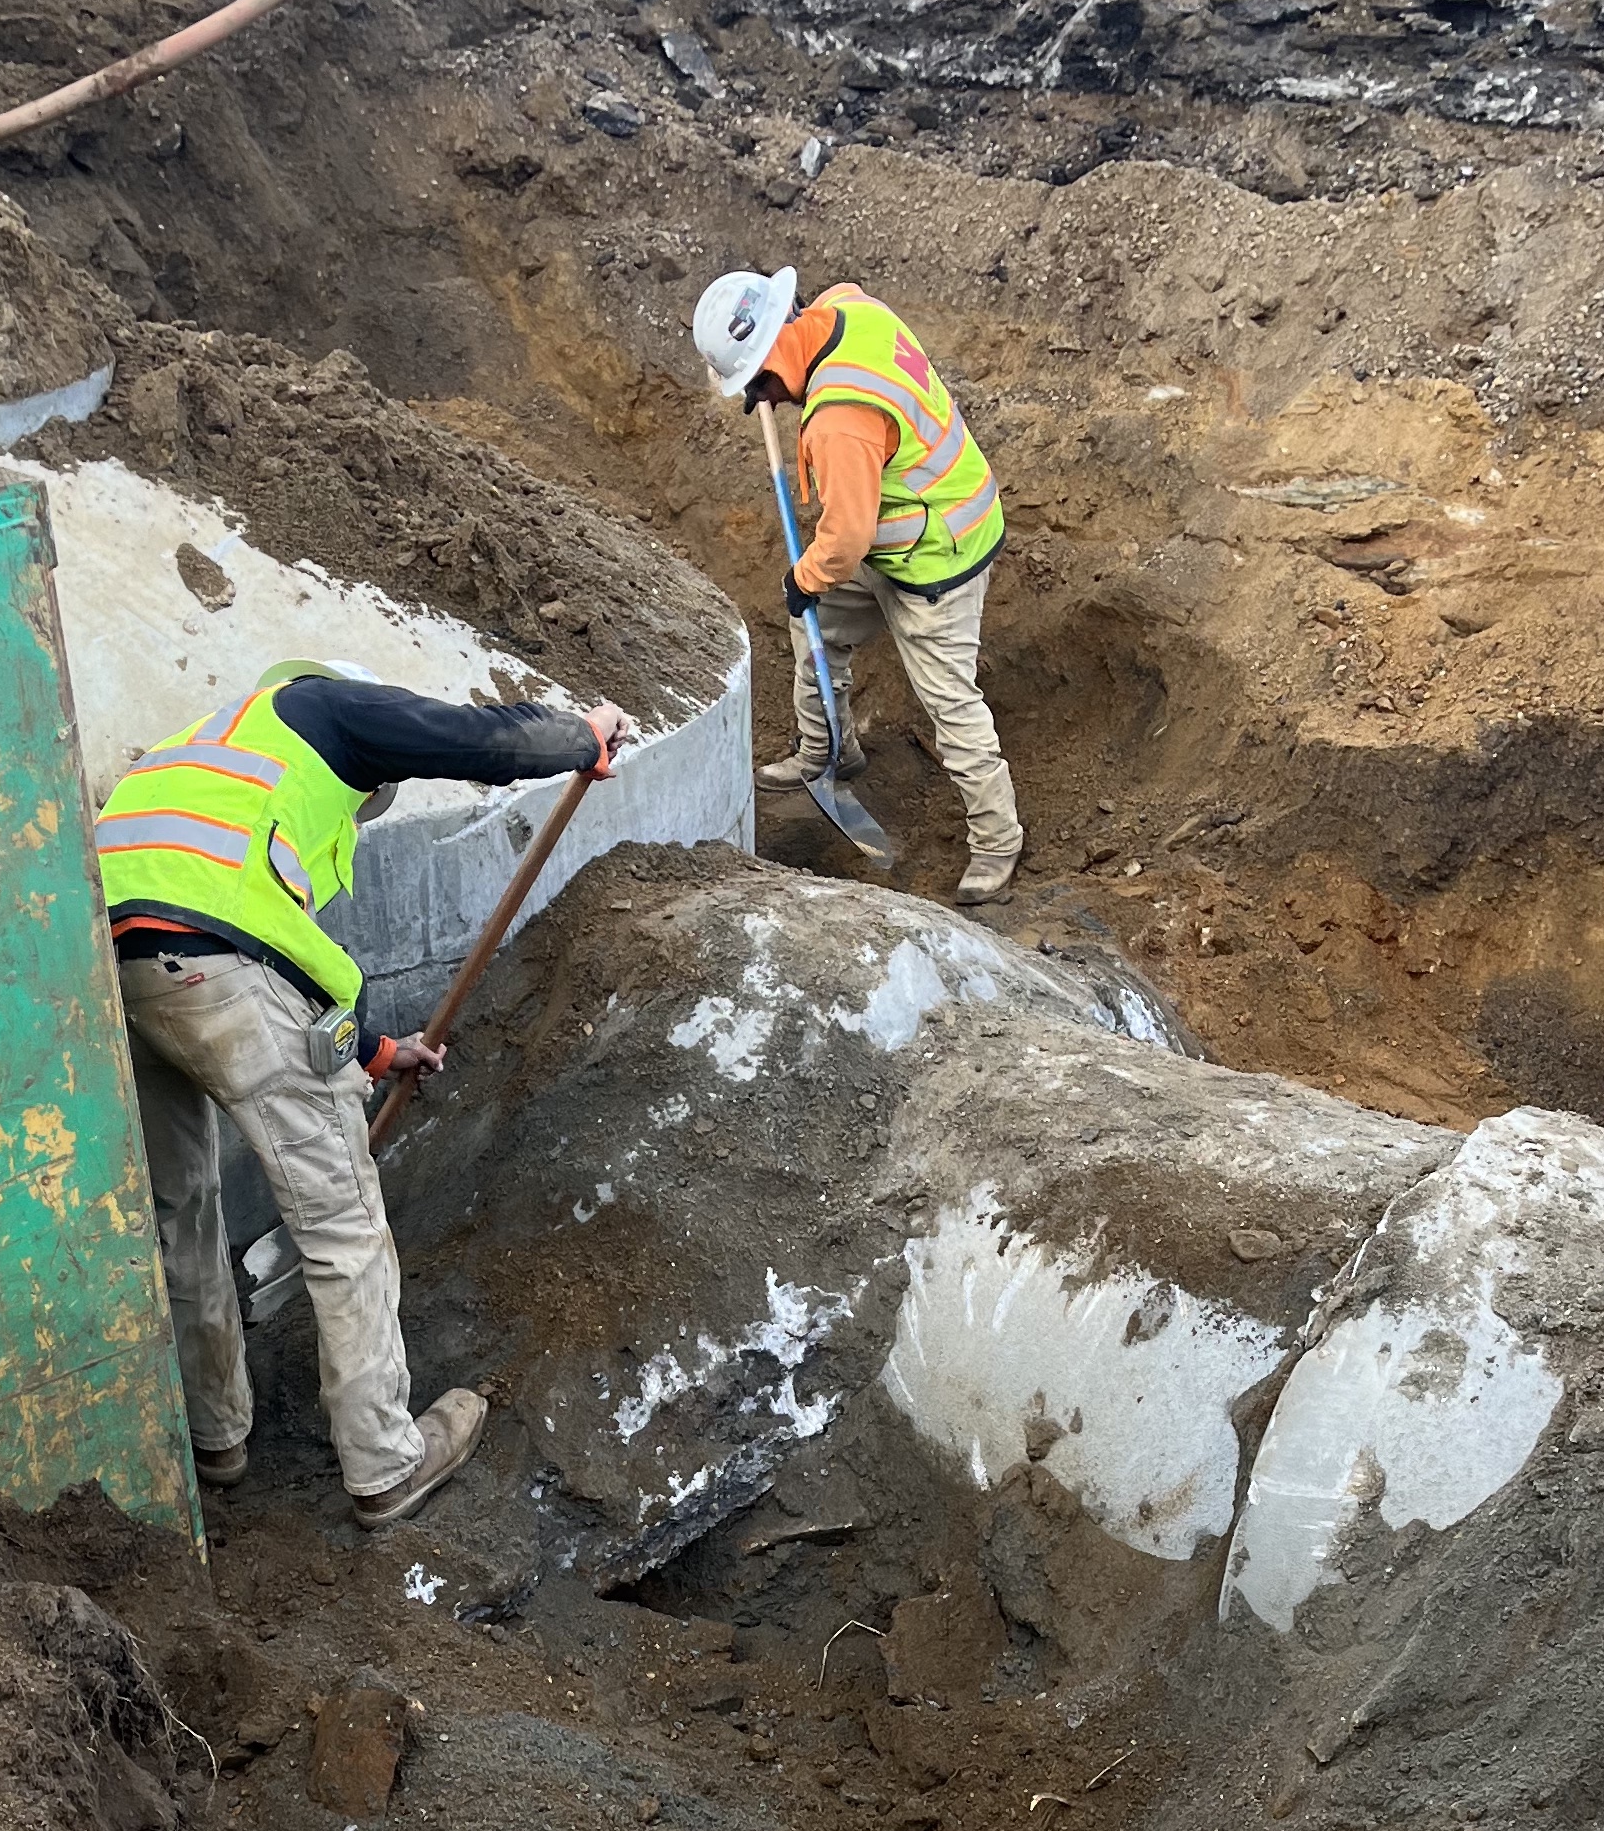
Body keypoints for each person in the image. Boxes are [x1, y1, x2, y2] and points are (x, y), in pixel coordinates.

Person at [97, 656, 631, 1528]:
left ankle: (214, 1435)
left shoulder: (191, 761)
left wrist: (378, 1050)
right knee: (341, 1225)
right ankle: (385, 1463)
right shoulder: (326, 706)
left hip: (114, 971)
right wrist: (580, 735)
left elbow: (250, 940)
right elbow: (468, 738)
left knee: (179, 1209)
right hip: (214, 971)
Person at [692, 267, 1024, 908]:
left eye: (755, 386)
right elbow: (854, 532)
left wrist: (804, 575)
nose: (761, 400)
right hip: (897, 523)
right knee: (812, 617)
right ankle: (827, 754)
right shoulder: (847, 307)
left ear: (765, 361)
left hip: (938, 553)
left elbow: (843, 540)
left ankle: (997, 842)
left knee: (950, 705)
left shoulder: (839, 419)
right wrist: (810, 588)